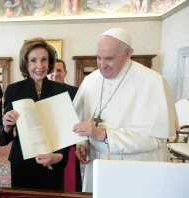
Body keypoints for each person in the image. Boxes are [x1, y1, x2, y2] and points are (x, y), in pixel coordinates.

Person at [73, 28, 178, 192]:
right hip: (98, 164)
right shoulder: (91, 80)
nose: (102, 65)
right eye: (98, 58)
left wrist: (104, 135)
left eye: (109, 58)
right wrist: (83, 143)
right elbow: (80, 118)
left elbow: (157, 138)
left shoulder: (152, 82)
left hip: (137, 168)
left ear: (128, 53)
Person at [0, 38, 70, 190]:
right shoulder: (13, 90)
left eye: (44, 60)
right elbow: (6, 133)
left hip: (53, 160)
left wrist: (59, 156)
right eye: (33, 60)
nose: (39, 66)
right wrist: (6, 125)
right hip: (23, 162)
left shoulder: (61, 90)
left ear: (49, 62)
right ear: (26, 64)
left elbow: (66, 130)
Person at [48, 58, 81, 191]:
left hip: (69, 143)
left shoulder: (76, 92)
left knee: (69, 185)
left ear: (65, 72)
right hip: (47, 143)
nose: (55, 73)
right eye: (52, 70)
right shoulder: (39, 92)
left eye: (59, 70)